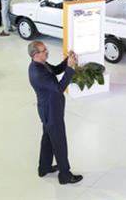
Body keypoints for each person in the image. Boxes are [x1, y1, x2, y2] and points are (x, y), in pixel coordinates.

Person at [28, 41, 83, 185]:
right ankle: (65, 175)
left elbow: (56, 69)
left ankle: (44, 168)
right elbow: (59, 88)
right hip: (51, 111)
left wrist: (67, 61)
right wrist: (70, 68)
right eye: (44, 50)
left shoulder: (40, 64)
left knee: (48, 138)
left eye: (46, 48)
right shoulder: (38, 73)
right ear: (35, 55)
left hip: (48, 109)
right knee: (59, 142)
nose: (47, 51)